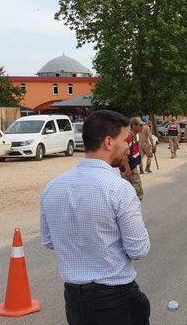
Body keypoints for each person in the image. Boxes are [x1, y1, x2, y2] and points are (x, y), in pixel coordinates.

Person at [40, 110, 151, 325]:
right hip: (116, 299)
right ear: (109, 142)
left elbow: (49, 240)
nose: (128, 145)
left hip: (75, 300)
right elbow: (139, 249)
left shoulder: (52, 187)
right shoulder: (119, 189)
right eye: (124, 139)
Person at [121, 117, 145, 200]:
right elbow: (124, 154)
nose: (142, 127)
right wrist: (127, 169)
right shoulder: (129, 137)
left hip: (132, 167)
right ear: (133, 126)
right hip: (129, 168)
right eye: (140, 125)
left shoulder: (135, 136)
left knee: (131, 192)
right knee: (138, 193)